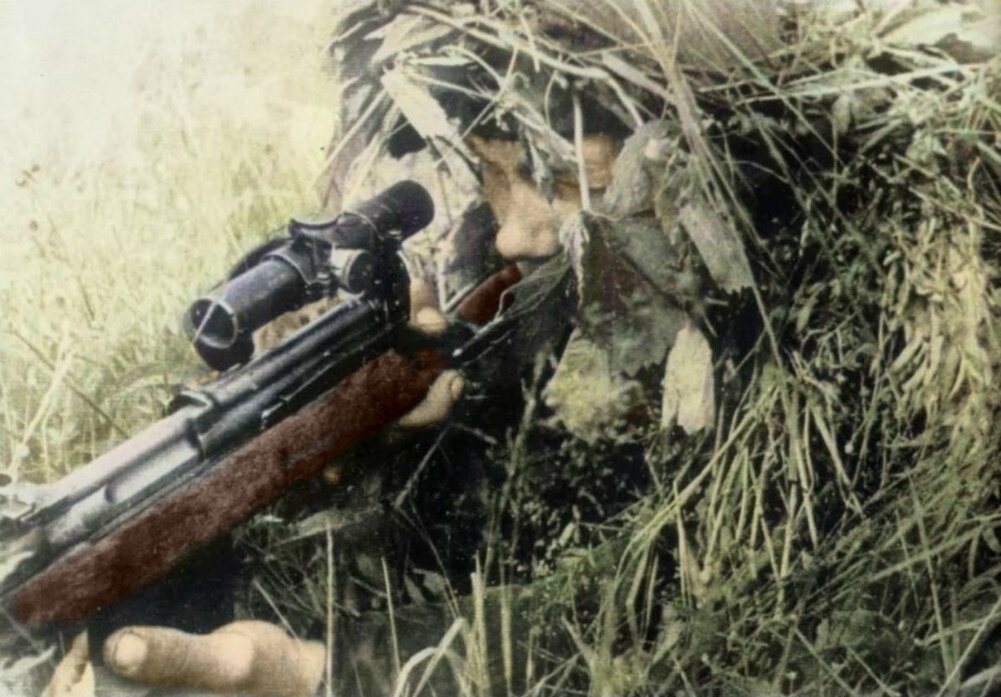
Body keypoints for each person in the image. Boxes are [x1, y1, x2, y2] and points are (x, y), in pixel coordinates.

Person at [45, 2, 782, 695]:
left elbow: (654, 594)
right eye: (494, 177)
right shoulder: (487, 272)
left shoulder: (760, 352)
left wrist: (320, 672)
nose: (510, 234)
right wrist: (366, 448)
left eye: (567, 185)